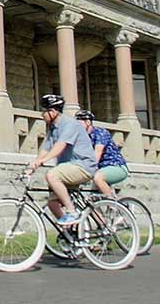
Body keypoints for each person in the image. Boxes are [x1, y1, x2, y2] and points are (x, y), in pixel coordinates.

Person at [28, 94, 97, 226]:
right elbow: (45, 149)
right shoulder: (53, 129)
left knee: (52, 175)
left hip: (83, 166)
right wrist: (32, 166)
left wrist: (42, 162)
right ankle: (71, 234)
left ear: (53, 112)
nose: (42, 115)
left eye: (44, 111)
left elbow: (60, 146)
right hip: (68, 168)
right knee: (52, 203)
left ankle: (72, 212)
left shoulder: (70, 124)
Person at [74, 109, 128, 199]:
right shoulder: (82, 138)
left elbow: (96, 155)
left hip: (116, 167)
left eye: (78, 124)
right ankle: (98, 213)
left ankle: (112, 203)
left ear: (88, 122)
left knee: (98, 178)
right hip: (99, 171)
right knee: (91, 202)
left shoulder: (100, 133)